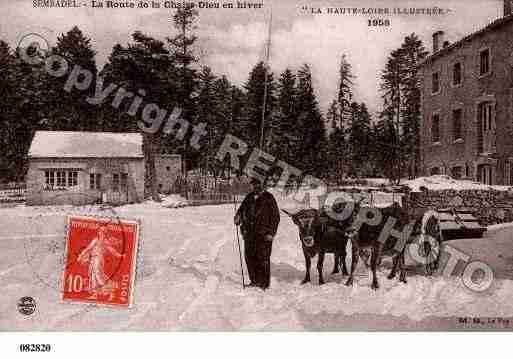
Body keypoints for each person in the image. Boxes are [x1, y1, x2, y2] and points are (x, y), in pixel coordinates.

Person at [234, 177, 280, 290]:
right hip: (249, 233)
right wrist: (238, 217)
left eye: (257, 184)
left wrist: (271, 233)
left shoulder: (269, 198)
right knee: (249, 257)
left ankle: (264, 283)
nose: (255, 187)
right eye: (253, 185)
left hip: (264, 235)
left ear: (263, 185)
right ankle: (254, 280)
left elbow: (275, 217)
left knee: (263, 258)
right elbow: (241, 210)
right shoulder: (249, 197)